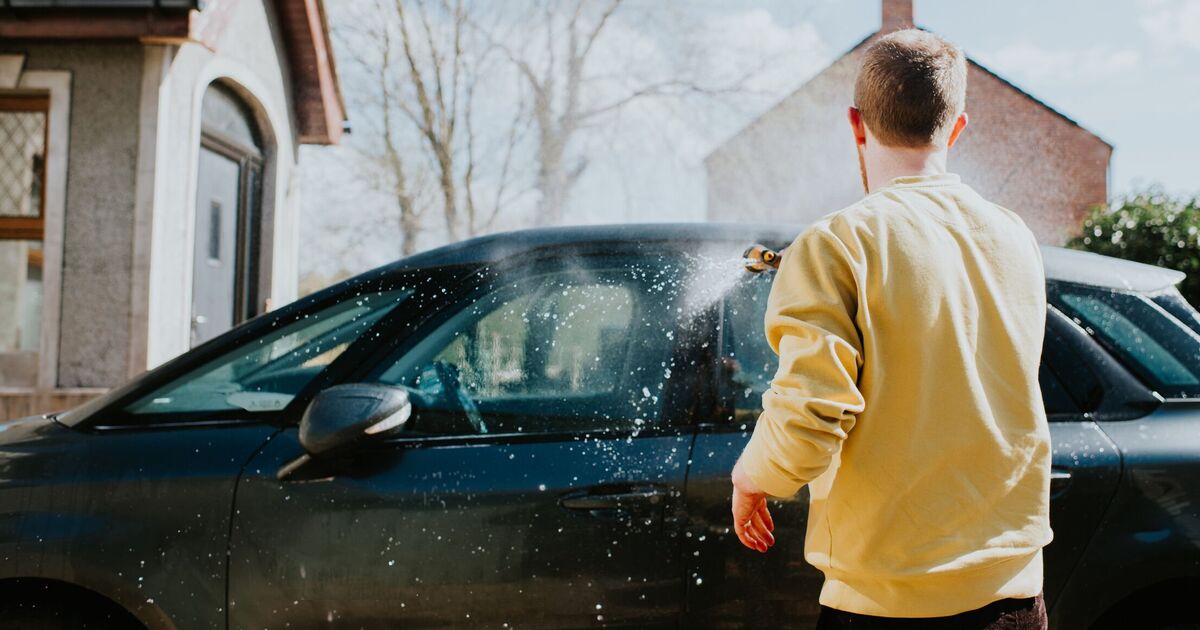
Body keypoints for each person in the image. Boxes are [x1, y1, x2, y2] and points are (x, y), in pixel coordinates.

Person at [729, 29, 1052, 629]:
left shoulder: (836, 242)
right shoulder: (1015, 237)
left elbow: (812, 411)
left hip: (887, 606)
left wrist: (751, 476)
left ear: (856, 123)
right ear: (956, 128)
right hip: (1015, 599)